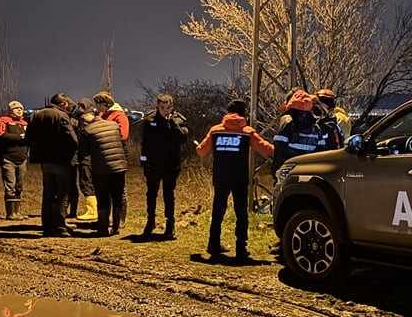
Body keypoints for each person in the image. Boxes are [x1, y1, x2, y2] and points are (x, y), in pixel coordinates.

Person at [196, 99, 274, 261]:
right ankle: (241, 248)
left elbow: (202, 151)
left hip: (221, 177)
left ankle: (213, 244)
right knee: (241, 213)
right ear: (243, 113)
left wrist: (197, 146)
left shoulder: (216, 131)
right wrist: (281, 150)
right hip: (239, 178)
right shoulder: (247, 132)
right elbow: (265, 148)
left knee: (218, 212)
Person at [26, 92, 78, 237]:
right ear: (63, 104)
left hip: (44, 161)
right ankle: (60, 226)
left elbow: (28, 137)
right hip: (61, 159)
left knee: (48, 193)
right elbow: (71, 138)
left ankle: (47, 225)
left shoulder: (35, 115)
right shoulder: (61, 116)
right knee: (62, 194)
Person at [139, 92, 189, 239]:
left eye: (168, 108)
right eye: (162, 108)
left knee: (169, 194)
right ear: (158, 106)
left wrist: (172, 124)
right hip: (153, 164)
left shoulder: (178, 121)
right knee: (151, 194)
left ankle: (170, 223)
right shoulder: (150, 120)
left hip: (170, 164)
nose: (165, 111)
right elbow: (145, 143)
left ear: (172, 106)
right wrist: (143, 160)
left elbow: (182, 138)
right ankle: (150, 221)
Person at [76, 108, 128, 236]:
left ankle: (103, 228)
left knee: (103, 198)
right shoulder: (113, 125)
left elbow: (84, 152)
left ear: (85, 122)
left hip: (101, 169)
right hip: (119, 166)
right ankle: (116, 227)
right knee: (117, 197)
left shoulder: (87, 130)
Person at [271, 89, 334, 174]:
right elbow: (321, 152)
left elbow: (279, 147)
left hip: (287, 171)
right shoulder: (317, 126)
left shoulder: (287, 121)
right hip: (308, 171)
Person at [0, 100, 29, 220]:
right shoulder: (3, 120)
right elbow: (1, 135)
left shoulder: (25, 123)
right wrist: (20, 137)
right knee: (10, 184)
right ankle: (10, 213)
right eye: (16, 108)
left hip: (22, 158)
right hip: (8, 158)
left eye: (21, 108)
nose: (19, 110)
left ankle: (17, 211)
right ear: (10, 110)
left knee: (19, 185)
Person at [70, 98, 98, 222]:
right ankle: (93, 210)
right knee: (89, 183)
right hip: (92, 157)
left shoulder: (81, 121)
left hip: (86, 157)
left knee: (87, 182)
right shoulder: (95, 119)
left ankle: (92, 211)